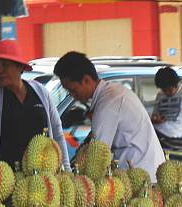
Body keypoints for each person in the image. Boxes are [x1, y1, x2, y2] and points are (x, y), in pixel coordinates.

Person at [53, 51, 165, 182]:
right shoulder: (112, 93)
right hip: (140, 171)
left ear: (86, 80)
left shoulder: (108, 103)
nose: (72, 95)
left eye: (72, 90)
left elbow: (97, 157)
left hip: (142, 177)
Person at [0, 40, 70, 170]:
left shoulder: (41, 92)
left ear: (19, 67)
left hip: (44, 176)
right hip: (7, 178)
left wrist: (66, 168)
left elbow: (57, 132)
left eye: (4, 65)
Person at [151, 67, 182, 140]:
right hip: (155, 132)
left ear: (176, 84)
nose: (167, 92)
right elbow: (154, 116)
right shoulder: (160, 95)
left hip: (171, 136)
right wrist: (156, 120)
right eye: (164, 90)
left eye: (170, 89)